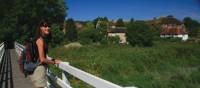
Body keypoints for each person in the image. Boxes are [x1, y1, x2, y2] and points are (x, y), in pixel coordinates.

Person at [31, 19, 61, 88]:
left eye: (49, 26)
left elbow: (40, 55)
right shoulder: (40, 40)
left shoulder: (39, 38)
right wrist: (53, 62)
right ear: (40, 27)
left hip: (37, 69)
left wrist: (53, 59)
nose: (48, 28)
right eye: (45, 26)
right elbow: (42, 59)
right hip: (39, 69)